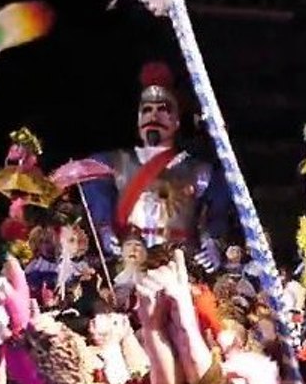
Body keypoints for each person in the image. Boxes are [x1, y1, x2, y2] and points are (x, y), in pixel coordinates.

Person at [84, 61, 231, 270]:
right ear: (138, 120)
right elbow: (94, 190)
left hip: (180, 266)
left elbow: (217, 213)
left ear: (177, 120)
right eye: (147, 110)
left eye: (163, 110)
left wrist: (212, 242)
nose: (153, 116)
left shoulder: (200, 171)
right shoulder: (112, 163)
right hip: (128, 263)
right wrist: (105, 228)